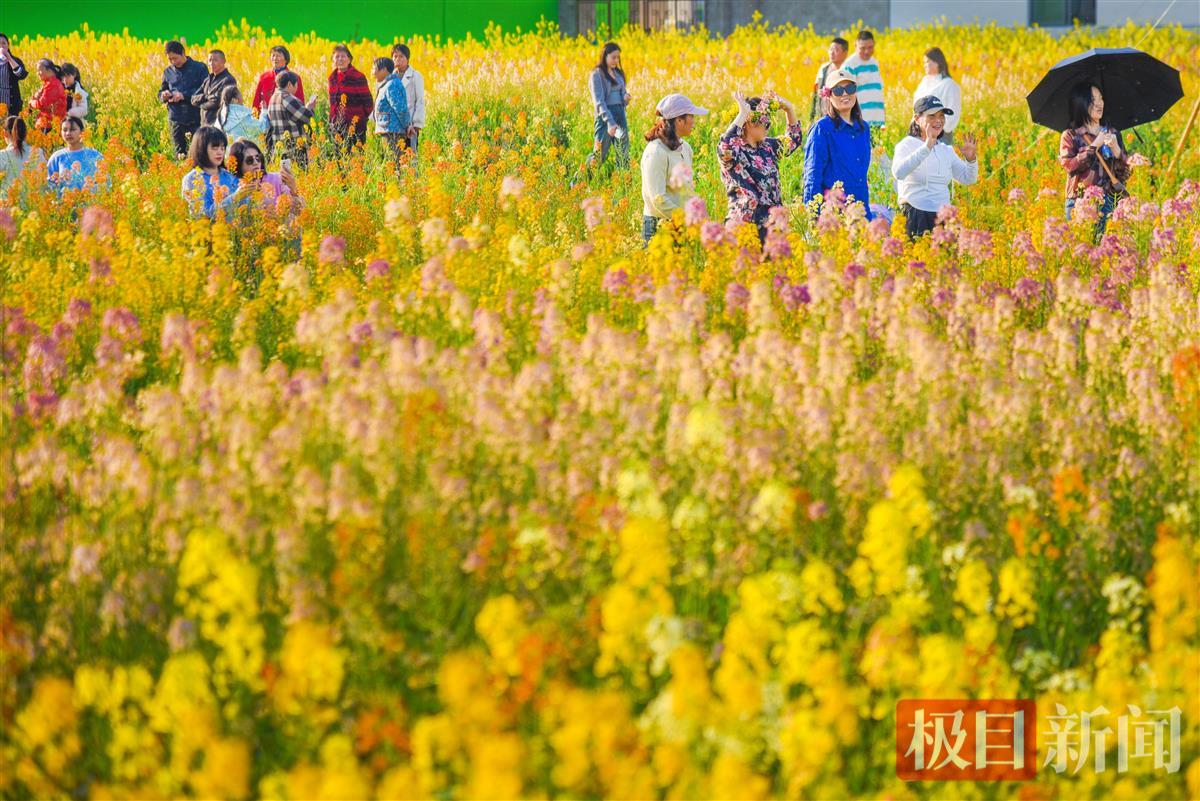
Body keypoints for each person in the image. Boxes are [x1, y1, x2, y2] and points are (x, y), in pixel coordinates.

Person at [717, 91, 803, 241]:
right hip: (745, 225)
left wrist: (789, 109)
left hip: (772, 224)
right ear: (751, 122)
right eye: (766, 123)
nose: (768, 128)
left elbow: (793, 139)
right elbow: (726, 147)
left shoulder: (767, 146)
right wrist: (743, 113)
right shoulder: (736, 150)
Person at [891, 96, 978, 239]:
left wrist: (971, 159)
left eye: (941, 116)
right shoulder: (906, 145)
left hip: (944, 219)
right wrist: (926, 147)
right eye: (932, 116)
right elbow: (898, 173)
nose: (938, 120)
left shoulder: (946, 150)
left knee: (945, 261)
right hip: (915, 216)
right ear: (917, 118)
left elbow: (968, 178)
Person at [1060, 82, 1132, 237]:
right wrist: (1094, 146)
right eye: (1093, 100)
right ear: (1081, 103)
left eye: (1101, 99)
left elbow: (1126, 172)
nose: (1100, 104)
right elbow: (1069, 166)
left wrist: (1117, 151)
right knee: (1080, 254)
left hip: (1108, 201)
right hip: (1078, 202)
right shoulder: (1071, 135)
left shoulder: (1113, 133)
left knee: (1106, 253)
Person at [802, 69, 873, 219]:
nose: (845, 94)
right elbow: (812, 175)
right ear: (828, 95)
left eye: (850, 88)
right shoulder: (822, 129)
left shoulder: (863, 128)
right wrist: (813, 217)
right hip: (834, 214)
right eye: (838, 90)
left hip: (861, 211)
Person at [640, 93, 709, 244]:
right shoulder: (655, 151)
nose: (694, 121)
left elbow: (687, 189)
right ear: (679, 120)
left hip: (680, 224)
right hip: (659, 225)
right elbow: (657, 199)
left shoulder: (686, 148)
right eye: (691, 116)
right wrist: (686, 217)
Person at [582, 42, 630, 177]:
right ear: (605, 56)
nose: (616, 61)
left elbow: (622, 94)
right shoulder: (597, 74)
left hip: (620, 116)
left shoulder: (618, 73)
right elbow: (599, 102)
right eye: (613, 57)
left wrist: (625, 98)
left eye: (618, 58)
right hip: (605, 119)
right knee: (599, 156)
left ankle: (623, 190)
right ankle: (577, 184)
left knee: (623, 154)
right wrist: (610, 122)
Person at [180, 125, 248, 219]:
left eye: (223, 148)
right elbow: (203, 215)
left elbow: (245, 209)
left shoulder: (230, 175)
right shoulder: (191, 179)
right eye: (215, 148)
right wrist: (235, 197)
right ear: (201, 148)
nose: (220, 152)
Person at [159, 40, 208, 158]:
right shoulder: (168, 72)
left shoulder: (199, 68)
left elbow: (206, 91)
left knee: (199, 155)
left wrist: (183, 95)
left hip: (195, 119)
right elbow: (161, 92)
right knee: (180, 156)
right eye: (170, 59)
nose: (172, 62)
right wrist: (164, 95)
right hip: (176, 120)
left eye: (175, 58)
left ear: (183, 53)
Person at [227, 138, 301, 213]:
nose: (256, 162)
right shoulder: (234, 187)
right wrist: (236, 197)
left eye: (258, 158)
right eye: (249, 160)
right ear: (239, 165)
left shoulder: (277, 179)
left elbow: (297, 212)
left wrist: (293, 190)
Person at [265, 70, 317, 168]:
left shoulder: (273, 98)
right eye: (296, 85)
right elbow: (307, 118)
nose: (297, 88)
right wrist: (310, 108)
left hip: (280, 148)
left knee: (284, 178)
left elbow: (292, 117)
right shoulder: (287, 98)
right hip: (294, 148)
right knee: (299, 177)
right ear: (289, 84)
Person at [327, 44, 372, 152]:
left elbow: (368, 102)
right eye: (337, 57)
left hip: (356, 125)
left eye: (343, 56)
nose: (340, 59)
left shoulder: (358, 77)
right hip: (336, 126)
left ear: (349, 59)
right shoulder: (332, 78)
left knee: (356, 157)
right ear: (333, 60)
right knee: (339, 157)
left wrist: (361, 119)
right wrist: (332, 121)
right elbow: (332, 103)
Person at [911, 48, 961, 145]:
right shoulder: (924, 82)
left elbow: (952, 114)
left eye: (928, 62)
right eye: (924, 62)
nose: (925, 65)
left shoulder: (949, 84)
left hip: (940, 137)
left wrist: (936, 129)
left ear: (937, 62)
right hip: (919, 134)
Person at [45, 117, 103, 195]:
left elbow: (105, 182)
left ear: (82, 132)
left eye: (72, 130)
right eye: (65, 130)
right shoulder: (56, 157)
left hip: (91, 205)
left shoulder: (94, 155)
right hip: (65, 206)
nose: (68, 133)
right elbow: (49, 187)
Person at [371, 57, 410, 172]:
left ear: (384, 70)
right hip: (389, 130)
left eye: (374, 68)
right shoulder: (388, 84)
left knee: (394, 165)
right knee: (391, 164)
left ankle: (397, 188)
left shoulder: (392, 85)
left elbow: (400, 108)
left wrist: (407, 125)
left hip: (393, 133)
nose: (372, 72)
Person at [843, 30, 885, 128]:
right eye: (862, 48)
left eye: (870, 47)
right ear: (855, 46)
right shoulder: (850, 64)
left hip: (877, 120)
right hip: (860, 120)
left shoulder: (874, 63)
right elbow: (846, 93)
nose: (867, 52)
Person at [391, 43, 424, 157]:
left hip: (410, 125)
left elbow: (419, 101)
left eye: (401, 56)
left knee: (411, 157)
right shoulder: (389, 77)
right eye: (395, 56)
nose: (398, 59)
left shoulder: (415, 76)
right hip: (393, 126)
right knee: (395, 158)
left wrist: (417, 123)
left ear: (407, 59)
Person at [251, 45, 304, 113]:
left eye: (278, 56)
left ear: (286, 59)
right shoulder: (264, 77)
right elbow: (256, 100)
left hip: (286, 119)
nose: (275, 58)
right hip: (265, 118)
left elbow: (300, 101)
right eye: (273, 55)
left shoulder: (294, 77)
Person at [192, 50, 237, 127]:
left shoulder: (228, 80)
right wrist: (206, 97)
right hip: (204, 125)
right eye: (209, 60)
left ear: (224, 61)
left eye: (215, 60)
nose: (211, 63)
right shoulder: (207, 79)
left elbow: (217, 102)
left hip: (218, 126)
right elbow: (193, 99)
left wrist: (200, 105)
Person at [0, 116, 44, 194]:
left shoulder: (3, 155)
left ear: (5, 133)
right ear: (26, 133)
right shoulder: (38, 152)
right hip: (33, 204)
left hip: (7, 204)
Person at [810, 37, 849, 123]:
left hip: (843, 118)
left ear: (845, 53)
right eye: (830, 49)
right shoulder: (824, 69)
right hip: (823, 116)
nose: (832, 52)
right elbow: (815, 93)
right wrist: (812, 117)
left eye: (836, 50)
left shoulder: (848, 71)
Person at [28, 59, 67, 134]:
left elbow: (42, 104)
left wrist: (32, 102)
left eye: (40, 70)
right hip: (47, 124)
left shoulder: (52, 84)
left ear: (49, 70)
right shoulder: (49, 83)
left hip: (49, 126)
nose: (38, 73)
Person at [0, 34, 29, 116]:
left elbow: (21, 75)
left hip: (11, 105)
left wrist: (9, 58)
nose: (1, 46)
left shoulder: (15, 60)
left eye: (4, 43)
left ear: (8, 45)